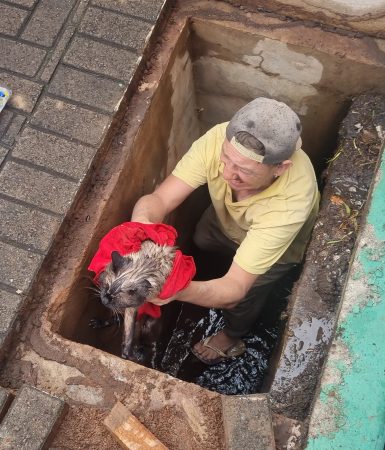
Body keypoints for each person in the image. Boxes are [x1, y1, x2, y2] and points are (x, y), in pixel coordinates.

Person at [131, 97, 319, 365]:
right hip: (224, 222)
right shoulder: (220, 138)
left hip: (277, 251)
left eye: (244, 171)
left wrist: (173, 291)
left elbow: (235, 289)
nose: (228, 173)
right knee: (201, 239)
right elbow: (159, 200)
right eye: (226, 159)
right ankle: (209, 275)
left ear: (280, 168)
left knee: (246, 300)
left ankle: (232, 335)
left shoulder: (290, 203)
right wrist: (140, 228)